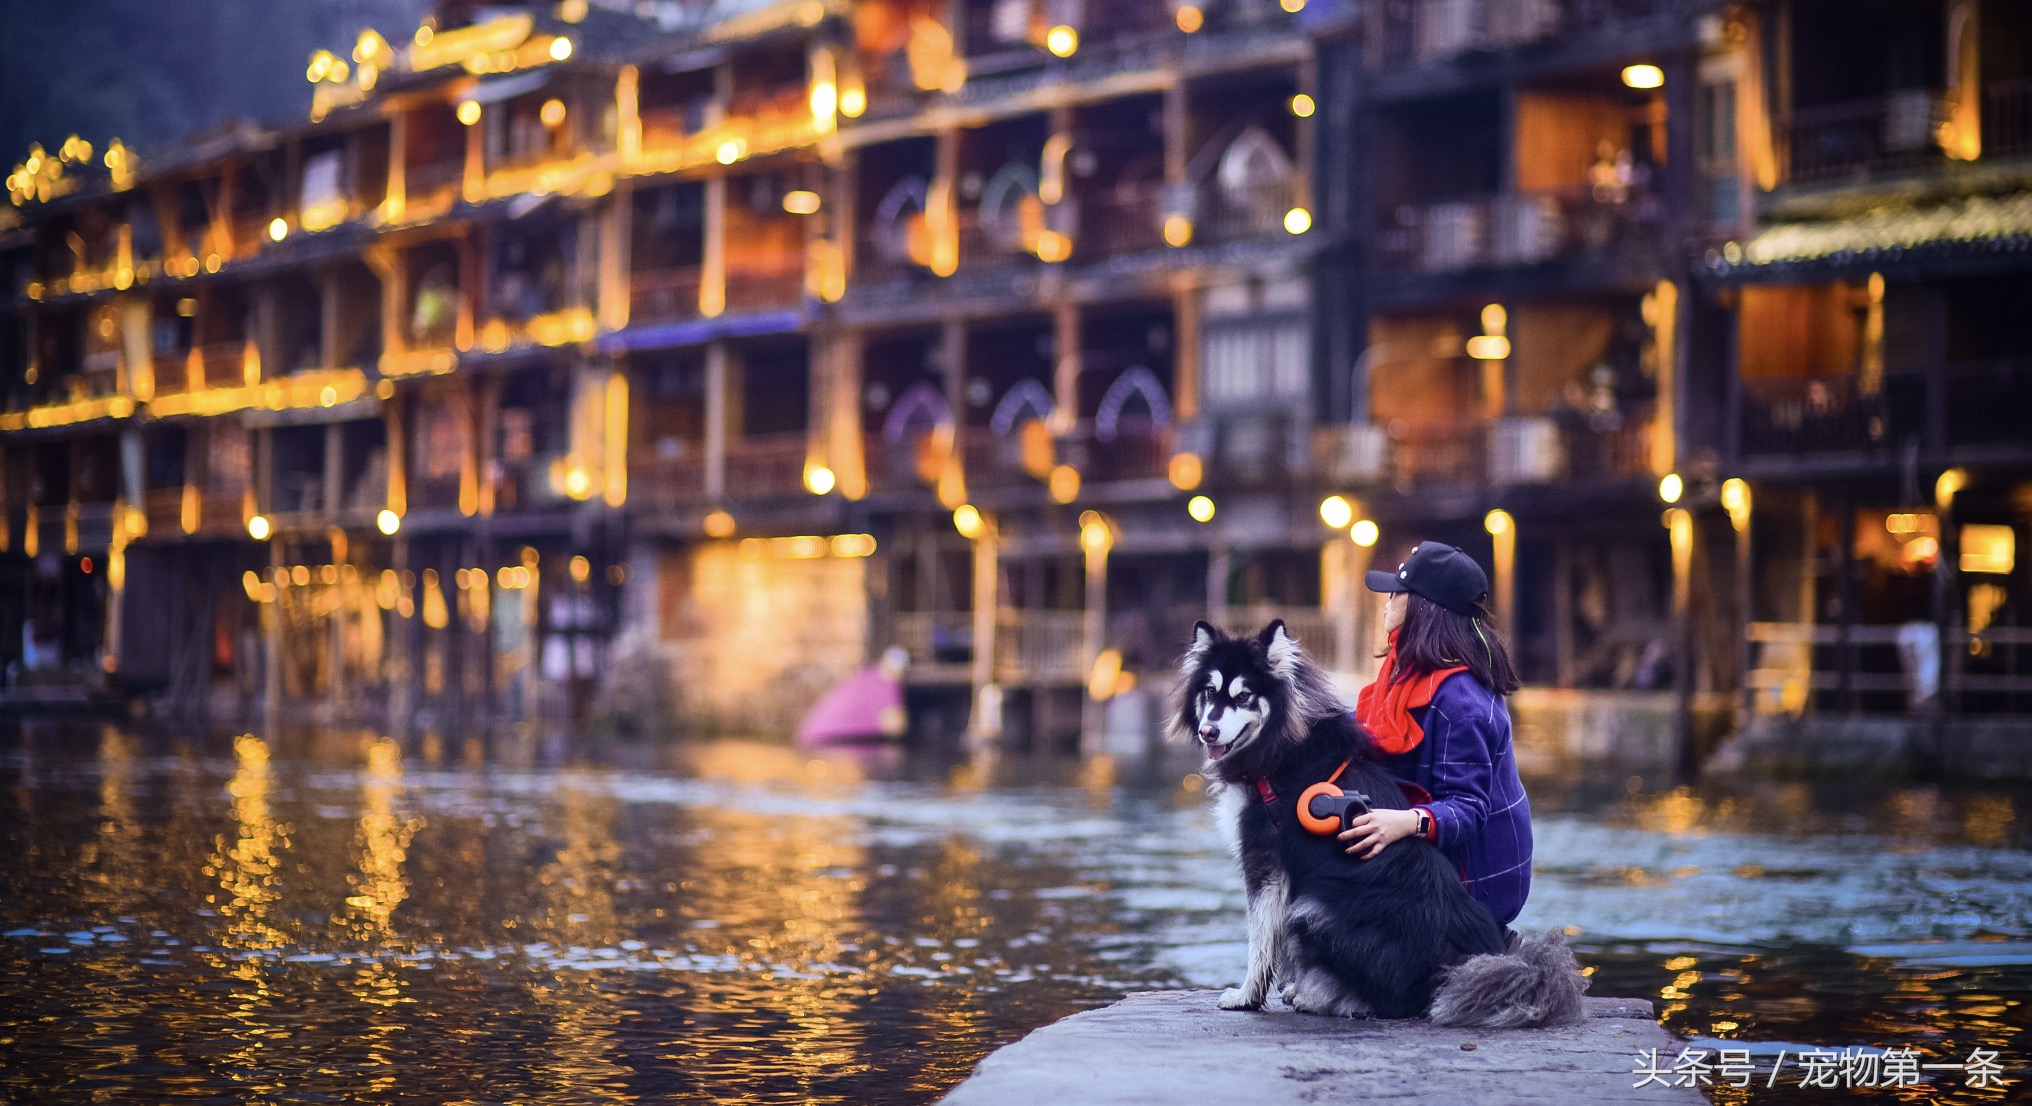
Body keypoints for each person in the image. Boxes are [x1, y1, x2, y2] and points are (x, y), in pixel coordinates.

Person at [1338, 540, 1533, 928]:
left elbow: (1469, 807)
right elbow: (1354, 728)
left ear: (1423, 607)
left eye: (1396, 593)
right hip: (1437, 860)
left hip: (1473, 887)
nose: (1386, 602)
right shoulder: (1409, 675)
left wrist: (1404, 823)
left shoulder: (1460, 700)